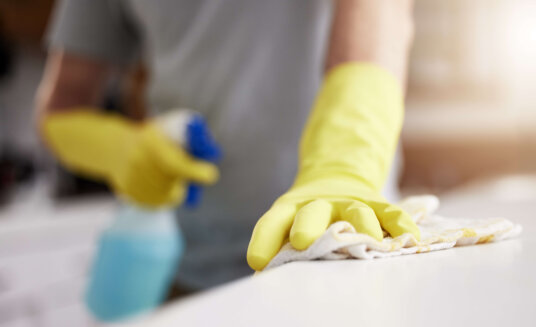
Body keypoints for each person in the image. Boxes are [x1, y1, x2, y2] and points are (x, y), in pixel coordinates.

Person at [35, 0, 420, 291]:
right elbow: (60, 107)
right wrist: (120, 149)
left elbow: (376, 37)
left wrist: (343, 169)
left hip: (344, 258)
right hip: (180, 271)